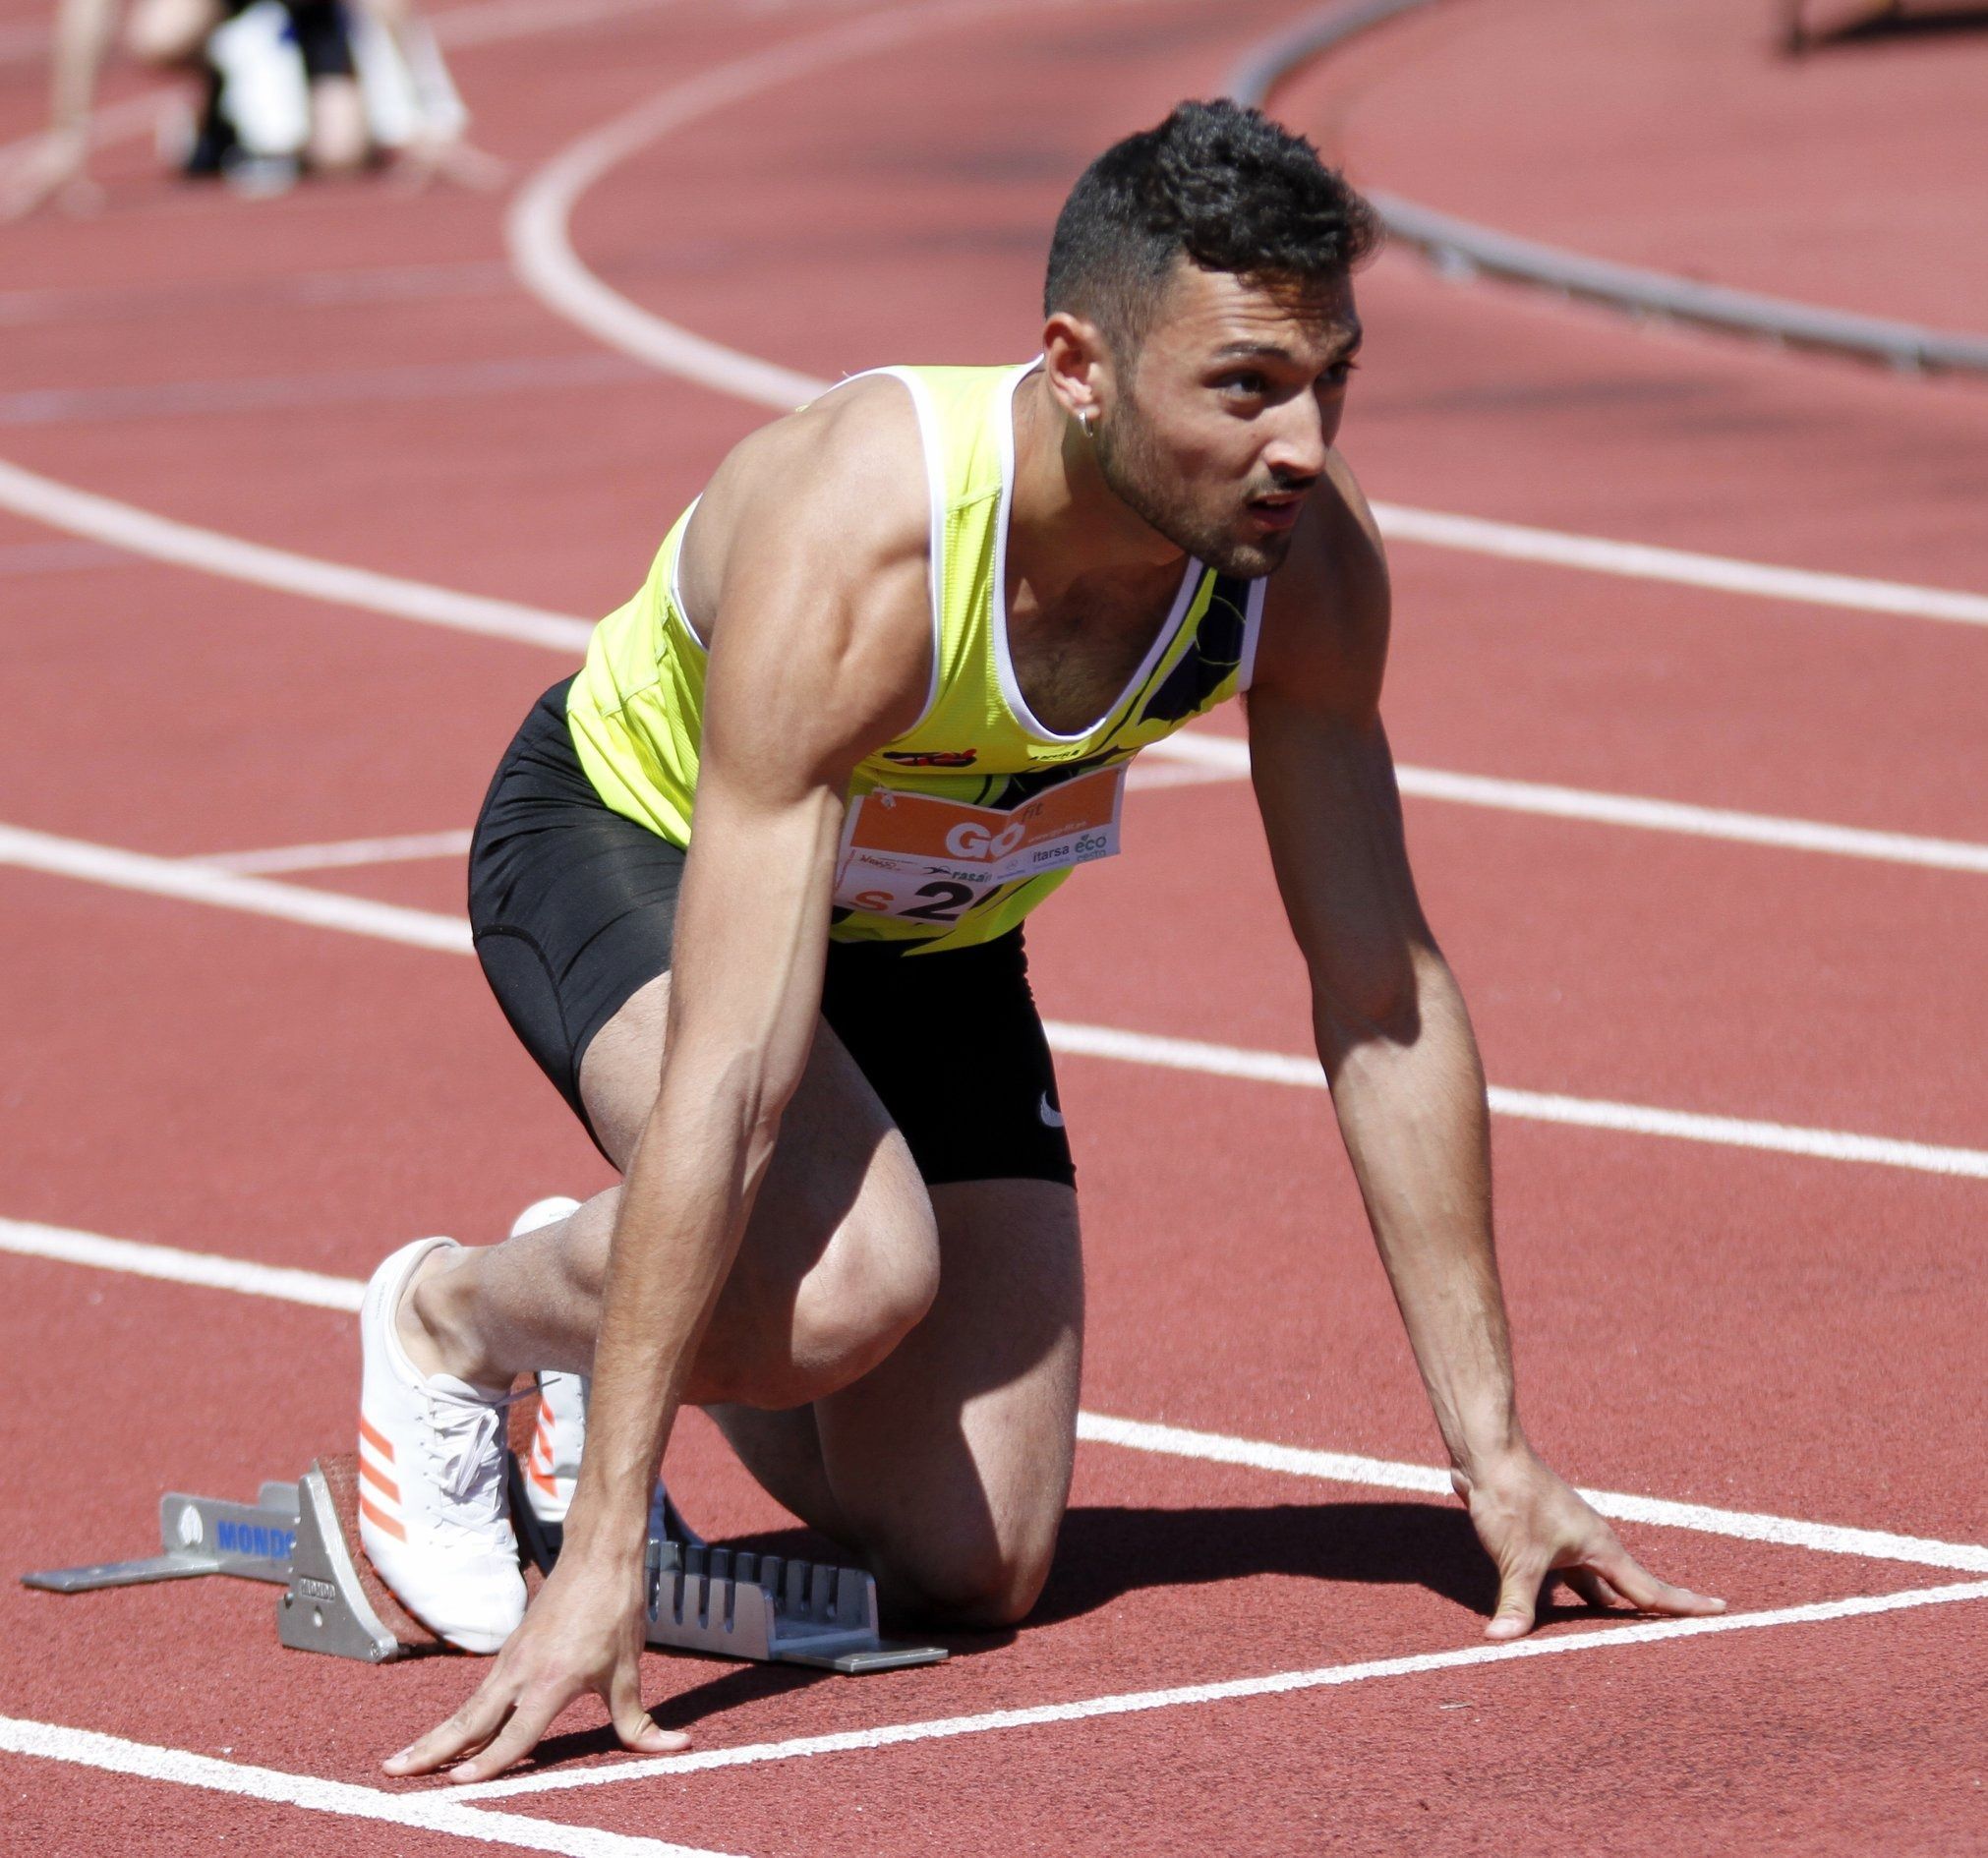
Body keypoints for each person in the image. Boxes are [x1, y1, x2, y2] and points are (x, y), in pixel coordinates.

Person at [364, 99, 1724, 1784]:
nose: (1301, 444)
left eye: (1330, 382)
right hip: (637, 849)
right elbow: (727, 1070)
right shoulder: (868, 535)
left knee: (975, 1563)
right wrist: (602, 1557)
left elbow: (1381, 996)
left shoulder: (1298, 563)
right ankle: (459, 1318)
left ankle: (621, 1301)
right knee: (847, 1281)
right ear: (1079, 366)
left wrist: (1494, 1454)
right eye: (1243, 387)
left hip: (931, 934)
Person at [2, 0, 490, 216]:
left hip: (315, 10)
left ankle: (272, 94)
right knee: (159, 35)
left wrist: (430, 115)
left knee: (339, 155)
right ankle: (226, 91)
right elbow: (89, 7)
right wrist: (67, 135)